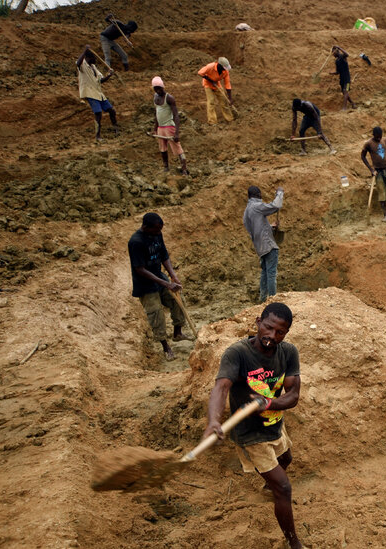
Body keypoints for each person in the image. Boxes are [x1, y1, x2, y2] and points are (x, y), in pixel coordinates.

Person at [203, 302, 302, 549]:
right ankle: (293, 544)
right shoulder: (237, 354)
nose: (272, 336)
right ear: (258, 322)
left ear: (286, 333)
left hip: (274, 423)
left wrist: (269, 403)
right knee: (283, 488)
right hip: (250, 433)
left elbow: (293, 395)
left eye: (280, 332)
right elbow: (221, 388)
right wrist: (214, 420)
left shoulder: (288, 352)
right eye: (268, 327)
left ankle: (269, 485)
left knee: (286, 458)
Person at [127, 212, 191, 361]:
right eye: (156, 230)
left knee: (177, 300)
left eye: (160, 230)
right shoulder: (136, 242)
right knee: (156, 314)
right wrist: (166, 283)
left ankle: (177, 333)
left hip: (159, 277)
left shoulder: (156, 234)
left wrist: (173, 276)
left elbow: (164, 255)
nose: (159, 232)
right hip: (145, 285)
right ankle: (166, 348)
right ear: (146, 227)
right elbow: (140, 269)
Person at [243, 185, 284, 303]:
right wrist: (280, 193)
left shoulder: (247, 211)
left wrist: (270, 227)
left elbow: (256, 229)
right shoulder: (257, 206)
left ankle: (263, 299)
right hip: (269, 245)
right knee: (271, 274)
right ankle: (272, 300)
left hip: (260, 247)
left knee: (265, 273)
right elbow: (276, 205)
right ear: (258, 195)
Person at [76, 45, 118, 142]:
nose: (96, 60)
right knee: (98, 113)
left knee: (111, 111)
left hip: (98, 93)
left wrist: (109, 75)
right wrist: (85, 50)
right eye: (94, 58)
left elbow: (100, 80)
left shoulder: (93, 67)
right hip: (90, 93)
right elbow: (78, 63)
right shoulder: (82, 65)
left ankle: (116, 129)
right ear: (88, 58)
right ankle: (97, 136)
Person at [360, 127, 386, 221]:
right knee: (382, 194)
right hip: (378, 172)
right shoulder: (368, 144)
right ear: (373, 135)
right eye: (377, 137)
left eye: (380, 137)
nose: (379, 139)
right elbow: (362, 156)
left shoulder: (385, 140)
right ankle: (385, 215)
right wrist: (371, 170)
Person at [151, 76, 188, 176]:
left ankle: (184, 169)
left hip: (169, 126)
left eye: (159, 88)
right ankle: (166, 167)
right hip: (160, 127)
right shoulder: (155, 97)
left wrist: (176, 133)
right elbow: (157, 113)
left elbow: (176, 115)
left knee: (177, 148)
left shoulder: (169, 98)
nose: (158, 91)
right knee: (162, 149)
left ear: (163, 87)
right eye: (155, 89)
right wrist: (155, 128)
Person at [198, 57, 234, 125]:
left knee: (224, 101)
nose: (225, 69)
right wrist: (209, 80)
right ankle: (212, 122)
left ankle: (229, 119)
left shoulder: (225, 72)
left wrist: (230, 98)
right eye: (224, 68)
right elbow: (200, 72)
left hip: (217, 84)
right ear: (219, 65)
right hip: (207, 84)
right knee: (211, 102)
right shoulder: (210, 66)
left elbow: (227, 84)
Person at [330, 45, 356, 110]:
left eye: (333, 52)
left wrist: (339, 48)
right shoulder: (336, 61)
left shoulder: (343, 57)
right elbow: (338, 72)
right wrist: (332, 73)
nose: (333, 54)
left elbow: (347, 54)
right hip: (342, 79)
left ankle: (344, 108)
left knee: (345, 91)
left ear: (336, 51)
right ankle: (353, 103)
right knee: (344, 92)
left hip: (347, 78)